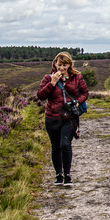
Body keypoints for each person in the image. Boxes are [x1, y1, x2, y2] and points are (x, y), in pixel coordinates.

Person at [36, 51, 88, 186]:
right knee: (55, 146)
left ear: (69, 65)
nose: (62, 68)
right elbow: (41, 96)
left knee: (65, 144)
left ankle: (68, 175)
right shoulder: (48, 78)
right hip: (52, 118)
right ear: (55, 64)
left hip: (70, 117)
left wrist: (77, 101)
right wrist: (52, 82)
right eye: (60, 65)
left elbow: (85, 92)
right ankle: (59, 175)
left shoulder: (77, 77)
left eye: (65, 65)